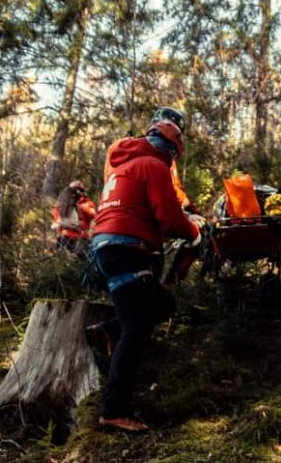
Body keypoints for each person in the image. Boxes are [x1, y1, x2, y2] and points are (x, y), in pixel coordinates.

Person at [88, 119, 205, 432]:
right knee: (137, 329)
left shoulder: (124, 166)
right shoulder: (153, 165)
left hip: (106, 248)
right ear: (172, 148)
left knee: (163, 304)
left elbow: (144, 213)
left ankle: (108, 330)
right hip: (126, 249)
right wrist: (193, 231)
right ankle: (113, 410)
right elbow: (167, 215)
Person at [51, 180, 97, 255]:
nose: (76, 191)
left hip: (81, 237)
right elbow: (56, 216)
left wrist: (78, 207)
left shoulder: (87, 203)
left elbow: (91, 215)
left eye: (79, 189)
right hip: (65, 236)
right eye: (73, 189)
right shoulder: (62, 203)